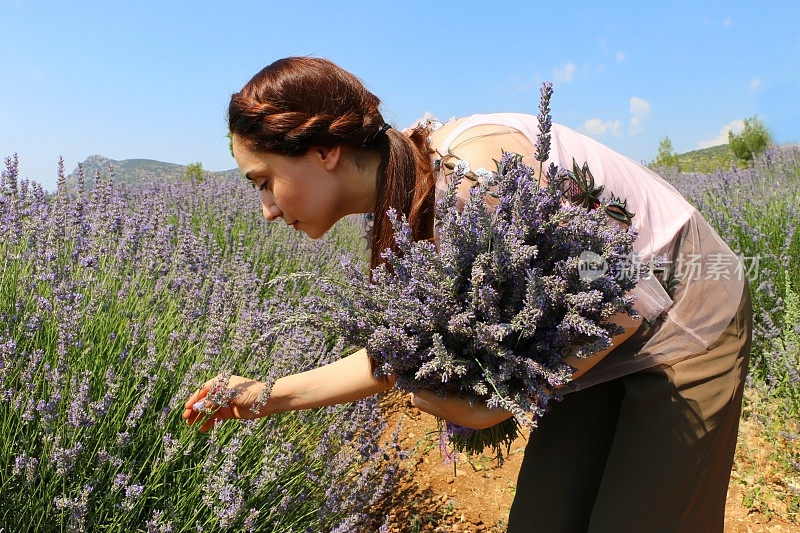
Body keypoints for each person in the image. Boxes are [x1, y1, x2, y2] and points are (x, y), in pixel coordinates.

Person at [183, 57, 752, 533]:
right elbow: (396, 358)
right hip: (592, 334)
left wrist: (486, 406)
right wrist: (263, 396)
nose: (267, 209)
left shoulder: (470, 181)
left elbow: (627, 290)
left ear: (325, 150)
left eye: (264, 181)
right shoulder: (405, 198)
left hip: (685, 314)